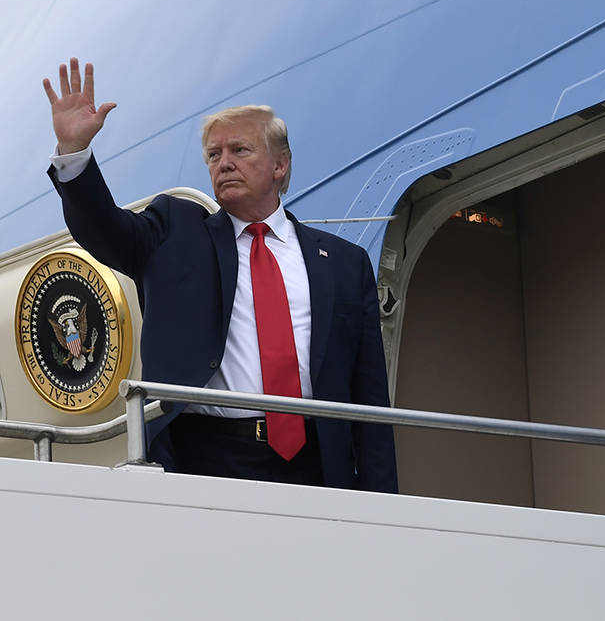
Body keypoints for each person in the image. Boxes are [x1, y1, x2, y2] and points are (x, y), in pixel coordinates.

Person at [42, 57, 397, 492]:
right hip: (205, 459)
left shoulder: (344, 263)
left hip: (319, 465)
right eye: (214, 155)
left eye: (240, 150)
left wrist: (384, 502)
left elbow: (371, 399)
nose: (223, 163)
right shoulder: (175, 231)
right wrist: (75, 156)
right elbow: (105, 229)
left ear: (279, 165)